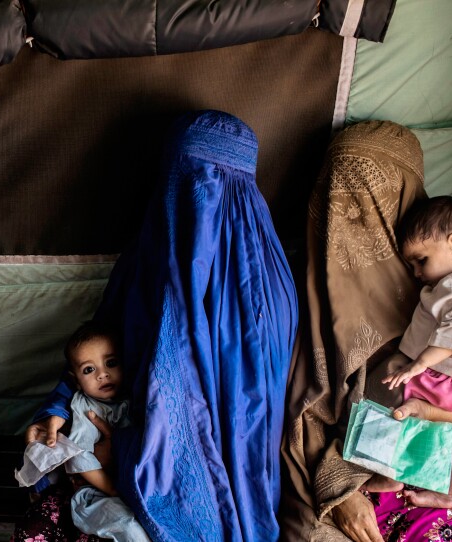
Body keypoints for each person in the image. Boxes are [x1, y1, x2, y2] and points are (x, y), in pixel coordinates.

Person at [18, 110, 298, 541]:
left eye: (212, 183)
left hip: (186, 480)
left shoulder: (267, 286)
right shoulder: (147, 263)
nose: (198, 200)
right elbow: (98, 345)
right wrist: (56, 410)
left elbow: (250, 426)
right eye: (185, 181)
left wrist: (125, 454)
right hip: (123, 459)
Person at [280, 121, 452, 542]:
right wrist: (343, 490)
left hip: (441, 478)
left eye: (371, 197)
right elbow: (301, 416)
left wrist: (440, 417)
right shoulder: (306, 296)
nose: (352, 217)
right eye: (340, 199)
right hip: (352, 482)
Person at [371, 196, 452, 508]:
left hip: (447, 378)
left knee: (386, 382)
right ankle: (442, 491)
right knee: (440, 429)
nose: (416, 273)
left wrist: (418, 365)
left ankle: (387, 469)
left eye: (421, 260)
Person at [17, 321, 151, 542]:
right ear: (76, 381)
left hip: (129, 485)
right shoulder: (85, 407)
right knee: (129, 527)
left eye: (111, 363)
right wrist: (113, 489)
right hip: (94, 495)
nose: (103, 374)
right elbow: (79, 458)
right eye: (89, 369)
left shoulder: (130, 399)